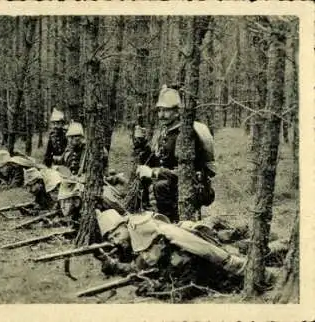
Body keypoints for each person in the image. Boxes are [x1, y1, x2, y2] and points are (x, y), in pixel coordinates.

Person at [95, 209, 256, 298]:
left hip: (222, 272)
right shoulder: (147, 242)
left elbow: (183, 290)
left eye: (117, 235)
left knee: (246, 250)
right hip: (209, 251)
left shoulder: (176, 252)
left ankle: (274, 245)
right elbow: (139, 267)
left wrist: (155, 288)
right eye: (112, 238)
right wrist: (116, 266)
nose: (116, 241)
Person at [135, 85, 216, 222]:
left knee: (160, 186)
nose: (161, 115)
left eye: (166, 111)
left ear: (178, 112)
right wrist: (141, 142)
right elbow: (155, 161)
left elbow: (185, 172)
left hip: (192, 186)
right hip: (171, 185)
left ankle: (170, 224)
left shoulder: (187, 135)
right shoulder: (166, 132)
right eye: (159, 110)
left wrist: (154, 173)